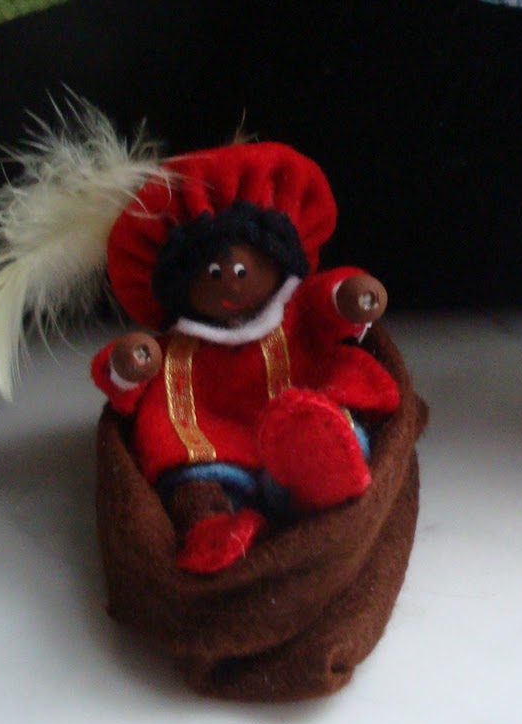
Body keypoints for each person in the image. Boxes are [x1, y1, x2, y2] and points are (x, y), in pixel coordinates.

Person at [90, 141, 401, 572]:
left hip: (301, 423)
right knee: (193, 487)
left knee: (331, 430)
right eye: (212, 274)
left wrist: (352, 296)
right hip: (212, 448)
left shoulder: (294, 315)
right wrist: (129, 363)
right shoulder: (177, 348)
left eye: (242, 269)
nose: (231, 283)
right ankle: (212, 527)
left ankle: (317, 480)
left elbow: (329, 300)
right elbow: (122, 373)